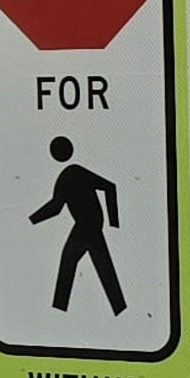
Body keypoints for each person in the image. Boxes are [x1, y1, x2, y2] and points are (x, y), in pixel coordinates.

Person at [30, 134, 125, 314]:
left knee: (71, 261)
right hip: (89, 225)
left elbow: (109, 187)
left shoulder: (73, 173)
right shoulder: (69, 175)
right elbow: (56, 207)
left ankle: (59, 308)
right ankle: (118, 307)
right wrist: (32, 220)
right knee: (101, 266)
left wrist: (114, 223)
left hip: (87, 225)